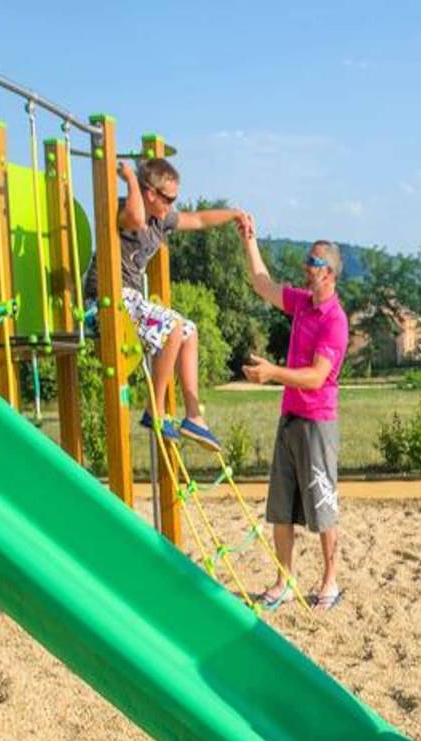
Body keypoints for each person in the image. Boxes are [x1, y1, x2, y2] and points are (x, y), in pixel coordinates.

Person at [88, 158, 245, 450]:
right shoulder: (127, 209)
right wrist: (131, 179)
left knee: (188, 330)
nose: (172, 205)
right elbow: (136, 219)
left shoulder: (163, 219)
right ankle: (154, 409)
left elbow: (197, 219)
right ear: (150, 194)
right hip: (107, 298)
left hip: (130, 298)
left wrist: (234, 214)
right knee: (173, 326)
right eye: (168, 198)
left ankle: (194, 415)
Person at [236, 217, 348, 611]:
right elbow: (262, 283)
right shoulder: (302, 302)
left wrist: (272, 374)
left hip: (317, 423)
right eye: (307, 260)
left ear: (330, 273)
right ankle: (284, 581)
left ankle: (330, 583)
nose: (306, 267)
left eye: (313, 262)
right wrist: (250, 240)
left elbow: (317, 377)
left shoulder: (335, 321)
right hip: (291, 419)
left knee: (322, 507)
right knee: (281, 506)